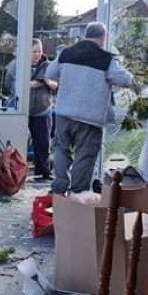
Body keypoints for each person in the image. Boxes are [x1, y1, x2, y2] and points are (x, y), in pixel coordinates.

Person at [46, 22, 133, 195]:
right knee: (84, 155)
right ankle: (78, 192)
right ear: (103, 37)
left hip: (64, 113)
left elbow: (50, 73)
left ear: (85, 35)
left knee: (61, 149)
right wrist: (134, 80)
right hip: (89, 118)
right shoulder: (106, 59)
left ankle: (59, 187)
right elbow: (125, 80)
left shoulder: (66, 53)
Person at [4, 38, 56, 180]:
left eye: (40, 51)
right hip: (21, 110)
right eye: (34, 51)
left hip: (42, 109)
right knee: (16, 141)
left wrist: (46, 82)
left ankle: (44, 172)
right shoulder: (16, 65)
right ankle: (13, 172)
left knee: (43, 142)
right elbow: (11, 85)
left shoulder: (49, 66)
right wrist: (33, 84)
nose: (37, 54)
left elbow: (56, 85)